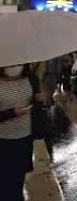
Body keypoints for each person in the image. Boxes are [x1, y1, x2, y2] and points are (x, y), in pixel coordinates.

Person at [0, 64, 42, 201]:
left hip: (24, 137)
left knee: (18, 177)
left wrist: (39, 100)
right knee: (5, 181)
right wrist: (11, 113)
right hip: (3, 140)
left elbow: (35, 104)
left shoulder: (30, 77)